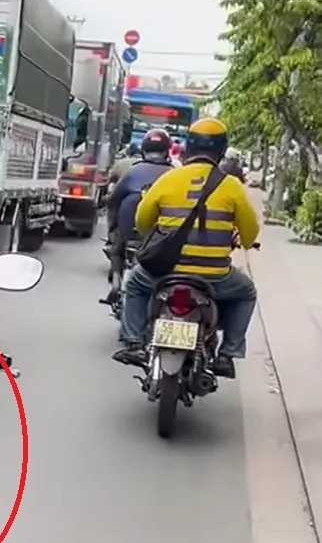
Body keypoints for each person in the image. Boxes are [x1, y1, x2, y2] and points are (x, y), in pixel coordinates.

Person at [112, 118, 260, 379]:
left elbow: (142, 221)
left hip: (165, 272)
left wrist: (156, 238)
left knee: (134, 284)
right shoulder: (231, 186)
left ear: (187, 148)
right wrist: (242, 240)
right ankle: (227, 354)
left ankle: (134, 342)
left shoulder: (169, 179)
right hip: (214, 276)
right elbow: (249, 234)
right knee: (246, 292)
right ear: (222, 150)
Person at [103, 128, 174, 300]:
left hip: (131, 232)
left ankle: (116, 274)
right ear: (167, 151)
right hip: (163, 236)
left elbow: (113, 201)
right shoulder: (175, 175)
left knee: (116, 240)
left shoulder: (132, 172)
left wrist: (112, 230)